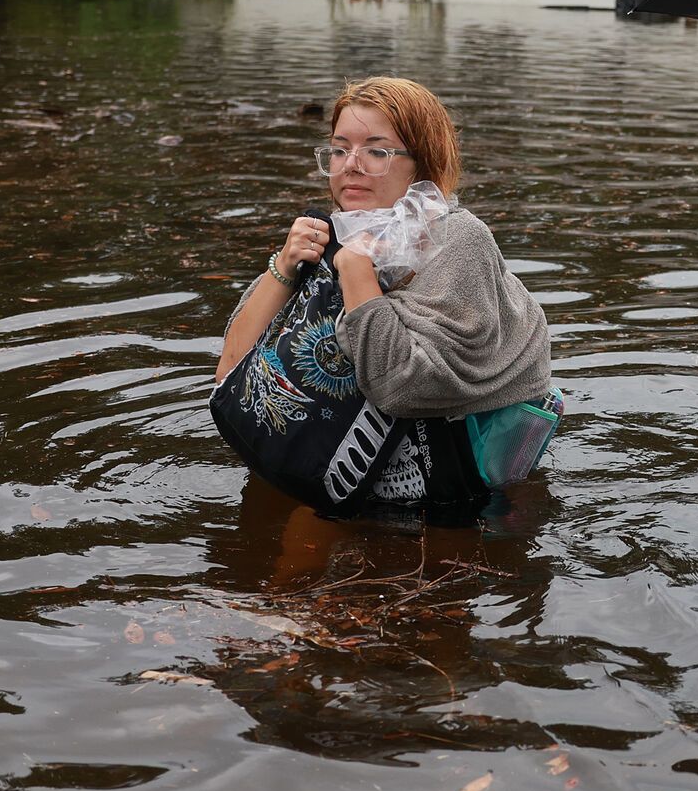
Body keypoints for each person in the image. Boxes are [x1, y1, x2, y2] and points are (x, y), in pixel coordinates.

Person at [215, 75, 552, 508]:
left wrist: (357, 274)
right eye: (339, 149)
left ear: (422, 163)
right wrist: (282, 267)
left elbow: (405, 389)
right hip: (337, 471)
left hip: (454, 492)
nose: (350, 164)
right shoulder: (328, 235)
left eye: (377, 151)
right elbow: (230, 375)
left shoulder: (458, 240)